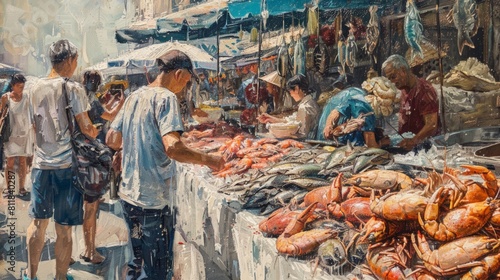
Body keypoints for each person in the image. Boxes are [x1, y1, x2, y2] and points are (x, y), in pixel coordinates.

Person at [106, 50, 225, 280]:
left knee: (135, 262)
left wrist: (132, 146)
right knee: (157, 271)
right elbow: (173, 147)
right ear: (179, 74)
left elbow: (112, 139)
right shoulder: (167, 98)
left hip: (129, 199)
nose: (185, 88)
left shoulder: (134, 96)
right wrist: (210, 159)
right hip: (153, 204)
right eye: (187, 82)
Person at [25, 39, 99, 280]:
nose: (76, 65)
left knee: (38, 224)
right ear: (68, 60)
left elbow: (33, 127)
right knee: (64, 230)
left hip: (40, 166)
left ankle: (32, 274)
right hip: (67, 167)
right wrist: (96, 131)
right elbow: (86, 127)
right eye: (75, 60)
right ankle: (59, 277)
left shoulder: (32, 88)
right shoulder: (74, 88)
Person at [76, 71, 125, 265]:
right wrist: (121, 102)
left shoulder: (79, 99)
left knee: (79, 205)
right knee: (91, 207)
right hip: (91, 155)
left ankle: (72, 251)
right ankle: (89, 250)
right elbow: (110, 116)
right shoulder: (91, 100)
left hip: (76, 155)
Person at [382, 54, 439, 151]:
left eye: (393, 77)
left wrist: (413, 141)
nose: (392, 82)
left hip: (425, 148)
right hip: (407, 146)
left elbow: (432, 125)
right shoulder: (403, 89)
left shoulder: (424, 90)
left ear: (403, 70)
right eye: (389, 79)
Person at [317, 86, 386, 147]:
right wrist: (382, 143)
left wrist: (328, 125)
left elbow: (335, 112)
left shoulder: (356, 93)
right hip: (341, 143)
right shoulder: (366, 109)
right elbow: (371, 146)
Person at [0, 74, 33, 198]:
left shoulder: (26, 97)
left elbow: (31, 113)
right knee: (10, 162)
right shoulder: (6, 97)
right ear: (12, 86)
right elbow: (1, 114)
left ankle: (22, 188)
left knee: (23, 162)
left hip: (24, 134)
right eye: (18, 86)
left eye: (22, 86)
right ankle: (9, 188)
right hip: (10, 134)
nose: (21, 89)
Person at [258, 74, 320, 139]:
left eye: (290, 91)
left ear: (296, 88)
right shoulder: (310, 102)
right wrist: (270, 118)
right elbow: (292, 121)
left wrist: (282, 135)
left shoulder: (304, 107)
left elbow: (302, 134)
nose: (291, 95)